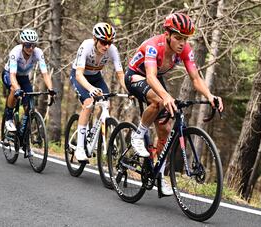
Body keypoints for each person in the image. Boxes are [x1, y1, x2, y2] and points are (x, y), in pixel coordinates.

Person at [124, 13, 224, 196]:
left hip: (154, 79)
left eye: (185, 39)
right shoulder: (154, 46)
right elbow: (151, 76)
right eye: (178, 38)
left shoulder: (185, 50)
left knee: (165, 130)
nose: (182, 43)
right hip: (135, 75)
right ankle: (138, 135)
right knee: (159, 100)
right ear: (167, 34)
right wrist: (166, 96)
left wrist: (210, 96)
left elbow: (195, 78)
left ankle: (159, 175)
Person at [70, 22, 128, 161]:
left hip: (96, 78)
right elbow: (79, 74)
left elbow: (120, 74)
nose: (106, 46)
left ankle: (95, 132)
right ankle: (79, 148)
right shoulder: (86, 46)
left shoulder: (112, 50)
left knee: (106, 104)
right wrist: (90, 89)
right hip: (80, 77)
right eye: (103, 42)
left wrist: (129, 90)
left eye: (109, 42)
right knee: (89, 103)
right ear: (95, 39)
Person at [2, 28, 56, 154]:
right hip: (10, 75)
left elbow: (45, 73)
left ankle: (25, 141)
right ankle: (9, 118)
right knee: (13, 90)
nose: (30, 48)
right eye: (27, 45)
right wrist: (17, 89)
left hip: (24, 77)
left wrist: (51, 89)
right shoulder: (15, 52)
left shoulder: (38, 53)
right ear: (22, 44)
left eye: (33, 45)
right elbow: (13, 75)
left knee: (29, 107)